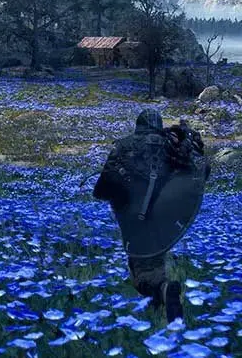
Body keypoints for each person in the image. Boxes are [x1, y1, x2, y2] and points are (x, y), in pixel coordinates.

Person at [93, 109, 209, 322]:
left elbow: (102, 188)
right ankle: (159, 308)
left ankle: (164, 292)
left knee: (142, 277)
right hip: (164, 220)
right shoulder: (172, 146)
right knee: (154, 262)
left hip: (134, 221)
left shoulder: (124, 146)